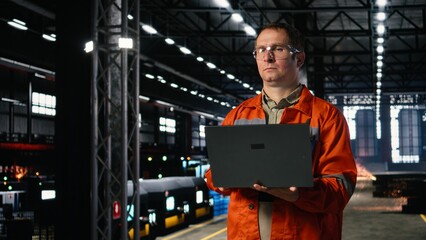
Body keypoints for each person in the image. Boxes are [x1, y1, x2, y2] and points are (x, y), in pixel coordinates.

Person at [204, 22, 357, 240]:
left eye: (278, 49)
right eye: (260, 50)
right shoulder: (237, 115)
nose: (267, 57)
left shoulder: (326, 116)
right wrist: (220, 178)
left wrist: (299, 194)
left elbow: (341, 187)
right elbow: (213, 174)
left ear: (300, 58)